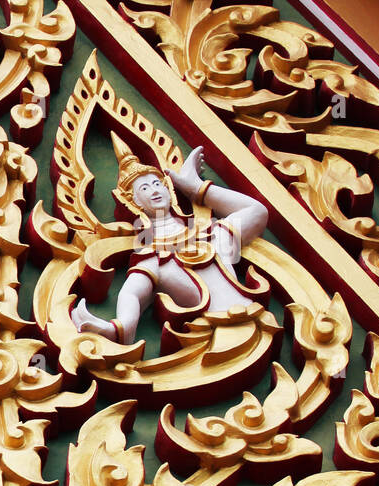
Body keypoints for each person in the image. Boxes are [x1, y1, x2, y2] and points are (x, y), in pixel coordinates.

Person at [71, 136, 268, 344]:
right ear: (133, 201)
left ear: (168, 188)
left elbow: (256, 211)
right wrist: (118, 327)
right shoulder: (153, 258)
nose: (155, 190)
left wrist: (195, 188)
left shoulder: (211, 233)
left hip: (258, 314)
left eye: (157, 184)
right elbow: (132, 294)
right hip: (218, 334)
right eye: (144, 189)